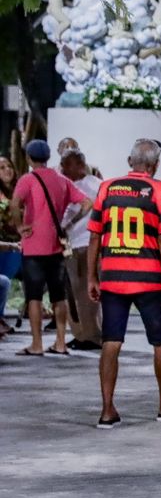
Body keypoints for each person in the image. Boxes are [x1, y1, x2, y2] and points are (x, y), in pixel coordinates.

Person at [84, 139, 161, 427]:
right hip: (149, 279)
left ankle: (107, 411)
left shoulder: (107, 188)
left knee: (111, 342)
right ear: (155, 165)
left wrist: (92, 276)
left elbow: (94, 236)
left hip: (113, 277)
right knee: (160, 341)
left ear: (130, 161)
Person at [10, 139, 89, 357]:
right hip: (56, 246)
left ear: (28, 158)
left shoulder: (27, 179)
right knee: (58, 295)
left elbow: (14, 203)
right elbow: (87, 203)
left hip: (33, 245)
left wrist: (20, 226)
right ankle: (61, 342)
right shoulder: (61, 179)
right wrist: (70, 224)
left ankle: (36, 344)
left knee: (34, 296)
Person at [59, 149, 103, 350]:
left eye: (67, 164)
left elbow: (77, 210)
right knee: (89, 292)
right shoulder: (98, 184)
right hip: (93, 243)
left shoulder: (78, 186)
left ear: (79, 165)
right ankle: (88, 333)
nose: (63, 168)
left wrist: (64, 226)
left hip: (81, 244)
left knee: (82, 292)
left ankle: (89, 336)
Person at [0, 155, 20, 337]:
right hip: (4, 245)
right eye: (1, 167)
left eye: (9, 166)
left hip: (20, 243)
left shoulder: (18, 190)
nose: (7, 170)